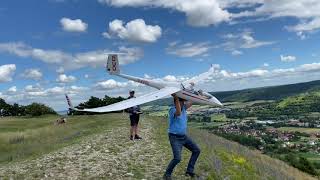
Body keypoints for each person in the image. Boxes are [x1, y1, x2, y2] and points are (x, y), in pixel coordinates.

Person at [163, 94, 201, 179]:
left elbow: (192, 101)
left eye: (184, 101)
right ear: (177, 102)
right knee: (177, 158)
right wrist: (176, 98)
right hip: (174, 137)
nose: (184, 103)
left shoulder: (184, 108)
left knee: (196, 150)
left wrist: (198, 94)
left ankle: (189, 171)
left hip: (183, 137)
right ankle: (167, 174)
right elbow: (178, 112)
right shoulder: (172, 110)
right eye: (182, 101)